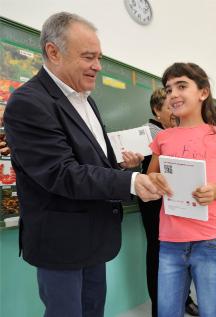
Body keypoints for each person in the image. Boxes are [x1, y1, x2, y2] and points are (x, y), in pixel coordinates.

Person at [3, 12, 160, 317]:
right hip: (60, 243)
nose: (98, 66)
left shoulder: (88, 101)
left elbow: (91, 162)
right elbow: (60, 172)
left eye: (99, 57)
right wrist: (130, 183)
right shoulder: (28, 103)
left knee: (93, 310)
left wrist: (124, 170)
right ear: (53, 52)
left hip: (94, 238)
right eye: (89, 57)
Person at [147, 62, 216, 317]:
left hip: (210, 240)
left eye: (181, 86)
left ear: (203, 92)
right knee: (167, 311)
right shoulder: (162, 138)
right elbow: (150, 177)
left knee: (212, 311)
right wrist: (155, 182)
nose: (173, 95)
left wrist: (215, 191)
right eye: (168, 90)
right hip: (170, 241)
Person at [138, 88, 198, 316]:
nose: (175, 112)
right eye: (169, 108)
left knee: (181, 252)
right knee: (158, 255)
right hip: (155, 206)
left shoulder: (175, 132)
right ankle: (160, 309)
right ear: (156, 110)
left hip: (177, 204)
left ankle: (183, 300)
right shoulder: (146, 135)